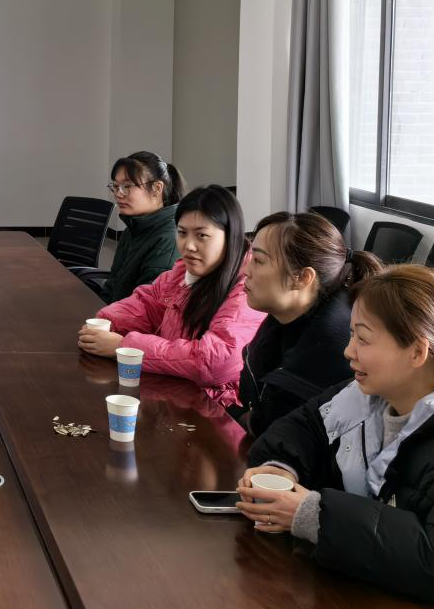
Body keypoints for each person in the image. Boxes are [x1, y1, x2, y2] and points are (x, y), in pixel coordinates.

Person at [238, 265, 434, 609]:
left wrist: (314, 515)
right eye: (351, 335)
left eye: (363, 339)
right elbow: (303, 427)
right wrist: (280, 467)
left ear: (417, 352)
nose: (348, 351)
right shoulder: (365, 395)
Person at [78, 185, 264, 405]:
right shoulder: (180, 275)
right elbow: (144, 305)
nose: (189, 246)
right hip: (177, 394)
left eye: (202, 235)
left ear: (230, 237)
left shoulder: (246, 289)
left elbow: (214, 363)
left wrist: (125, 347)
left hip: (218, 407)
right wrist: (105, 324)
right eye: (182, 233)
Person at [231, 211, 383, 436]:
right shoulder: (286, 315)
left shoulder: (332, 342)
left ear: (302, 278)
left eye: (259, 261)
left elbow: (275, 427)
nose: (246, 270)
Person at [98, 151, 186, 303]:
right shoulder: (133, 227)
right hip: (115, 313)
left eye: (127, 186)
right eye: (116, 186)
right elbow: (112, 284)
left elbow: (146, 307)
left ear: (157, 188)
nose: (118, 194)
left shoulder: (169, 239)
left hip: (131, 317)